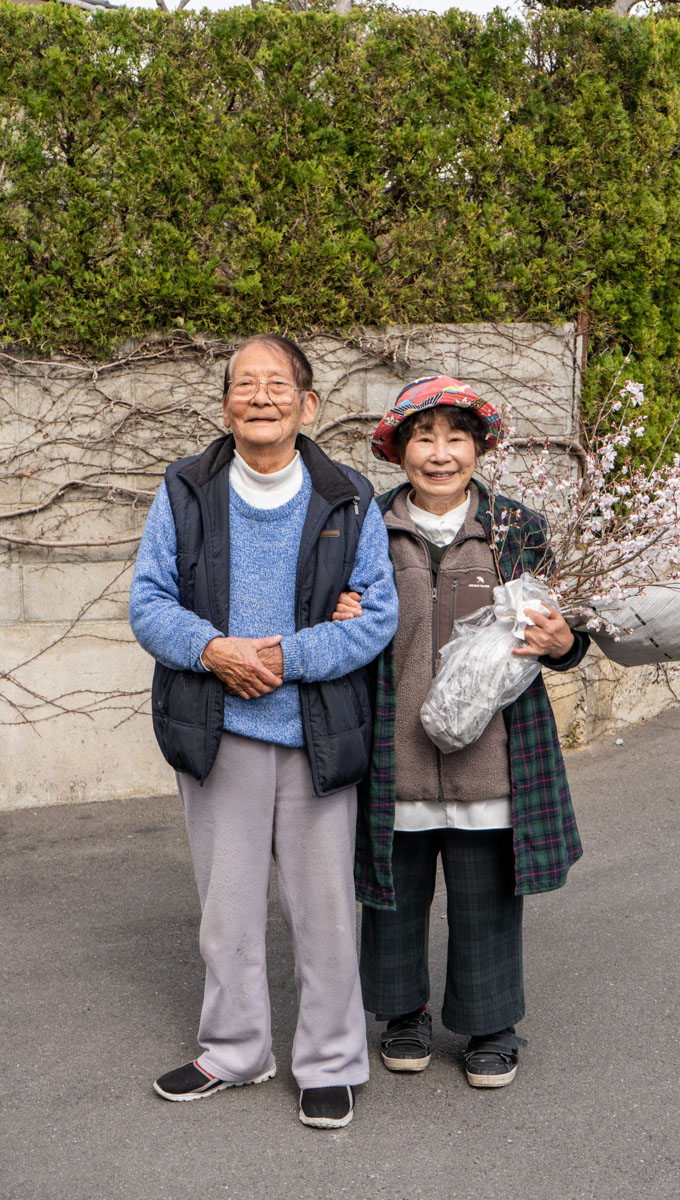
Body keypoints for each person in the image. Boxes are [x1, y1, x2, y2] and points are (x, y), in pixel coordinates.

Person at [129, 333, 398, 1129]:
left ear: (307, 404)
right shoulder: (185, 489)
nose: (260, 396)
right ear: (224, 406)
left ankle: (331, 1060)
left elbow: (376, 616)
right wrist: (213, 651)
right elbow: (149, 603)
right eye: (244, 384)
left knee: (324, 910)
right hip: (217, 730)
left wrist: (282, 657)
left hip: (316, 730)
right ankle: (236, 1050)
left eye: (277, 384)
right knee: (228, 907)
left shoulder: (348, 496)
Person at [335, 375, 588, 1089]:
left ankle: (490, 1025)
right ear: (398, 449)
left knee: (487, 899)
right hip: (395, 755)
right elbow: (332, 615)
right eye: (423, 437)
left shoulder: (518, 530)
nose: (439, 453)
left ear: (478, 448)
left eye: (455, 437)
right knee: (391, 898)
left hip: (494, 759)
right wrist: (340, 616)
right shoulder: (366, 527)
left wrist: (564, 641)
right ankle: (402, 1014)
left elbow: (568, 640)